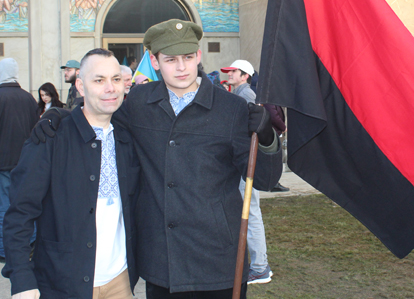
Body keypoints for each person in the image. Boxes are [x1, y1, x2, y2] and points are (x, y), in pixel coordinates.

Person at [30, 19, 282, 298]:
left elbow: (265, 179)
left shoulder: (231, 108)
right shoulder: (139, 102)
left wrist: (267, 138)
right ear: (154, 60)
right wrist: (62, 116)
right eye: (171, 59)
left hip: (217, 260)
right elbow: (100, 116)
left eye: (188, 57)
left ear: (199, 56)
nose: (181, 67)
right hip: (163, 262)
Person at [2, 49, 140, 298]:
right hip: (63, 283)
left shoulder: (127, 136)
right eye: (99, 80)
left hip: (121, 281)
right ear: (80, 85)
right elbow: (20, 213)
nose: (110, 88)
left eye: (116, 79)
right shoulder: (49, 138)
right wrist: (21, 278)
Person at [221, 60, 274, 284]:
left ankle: (260, 268)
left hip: (246, 166)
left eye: (233, 71)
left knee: (251, 214)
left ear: (245, 75)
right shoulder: (241, 94)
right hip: (243, 165)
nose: (229, 74)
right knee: (249, 213)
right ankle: (258, 265)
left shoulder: (245, 97)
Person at [0, 58, 38, 259]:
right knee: (24, 204)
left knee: (4, 206)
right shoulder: (28, 98)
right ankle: (31, 241)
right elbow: (36, 129)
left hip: (3, 162)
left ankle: (5, 249)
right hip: (25, 160)